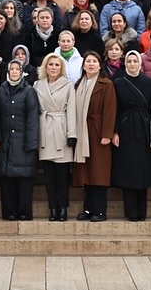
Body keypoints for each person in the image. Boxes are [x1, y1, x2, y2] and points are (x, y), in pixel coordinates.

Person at [111, 50, 151, 222]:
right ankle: (130, 212)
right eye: (129, 61)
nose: (132, 64)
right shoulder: (118, 83)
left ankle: (141, 211)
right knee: (128, 170)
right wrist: (115, 131)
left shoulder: (150, 83)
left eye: (135, 61)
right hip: (126, 128)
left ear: (140, 63)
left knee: (143, 171)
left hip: (145, 128)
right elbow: (114, 109)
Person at [71, 51, 117, 221]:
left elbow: (110, 110)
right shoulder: (78, 84)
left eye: (94, 62)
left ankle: (100, 211)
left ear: (99, 65)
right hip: (82, 132)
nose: (91, 64)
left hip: (98, 132)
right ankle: (88, 209)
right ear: (83, 65)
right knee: (86, 173)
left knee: (99, 173)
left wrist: (107, 134)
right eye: (88, 61)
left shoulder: (106, 84)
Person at [34, 52, 79, 222]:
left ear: (62, 68)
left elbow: (72, 111)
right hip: (45, 130)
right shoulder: (37, 85)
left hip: (61, 130)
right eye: (51, 64)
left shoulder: (68, 85)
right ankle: (53, 208)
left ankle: (63, 209)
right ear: (45, 66)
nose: (53, 68)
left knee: (62, 176)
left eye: (57, 65)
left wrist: (72, 134)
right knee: (49, 176)